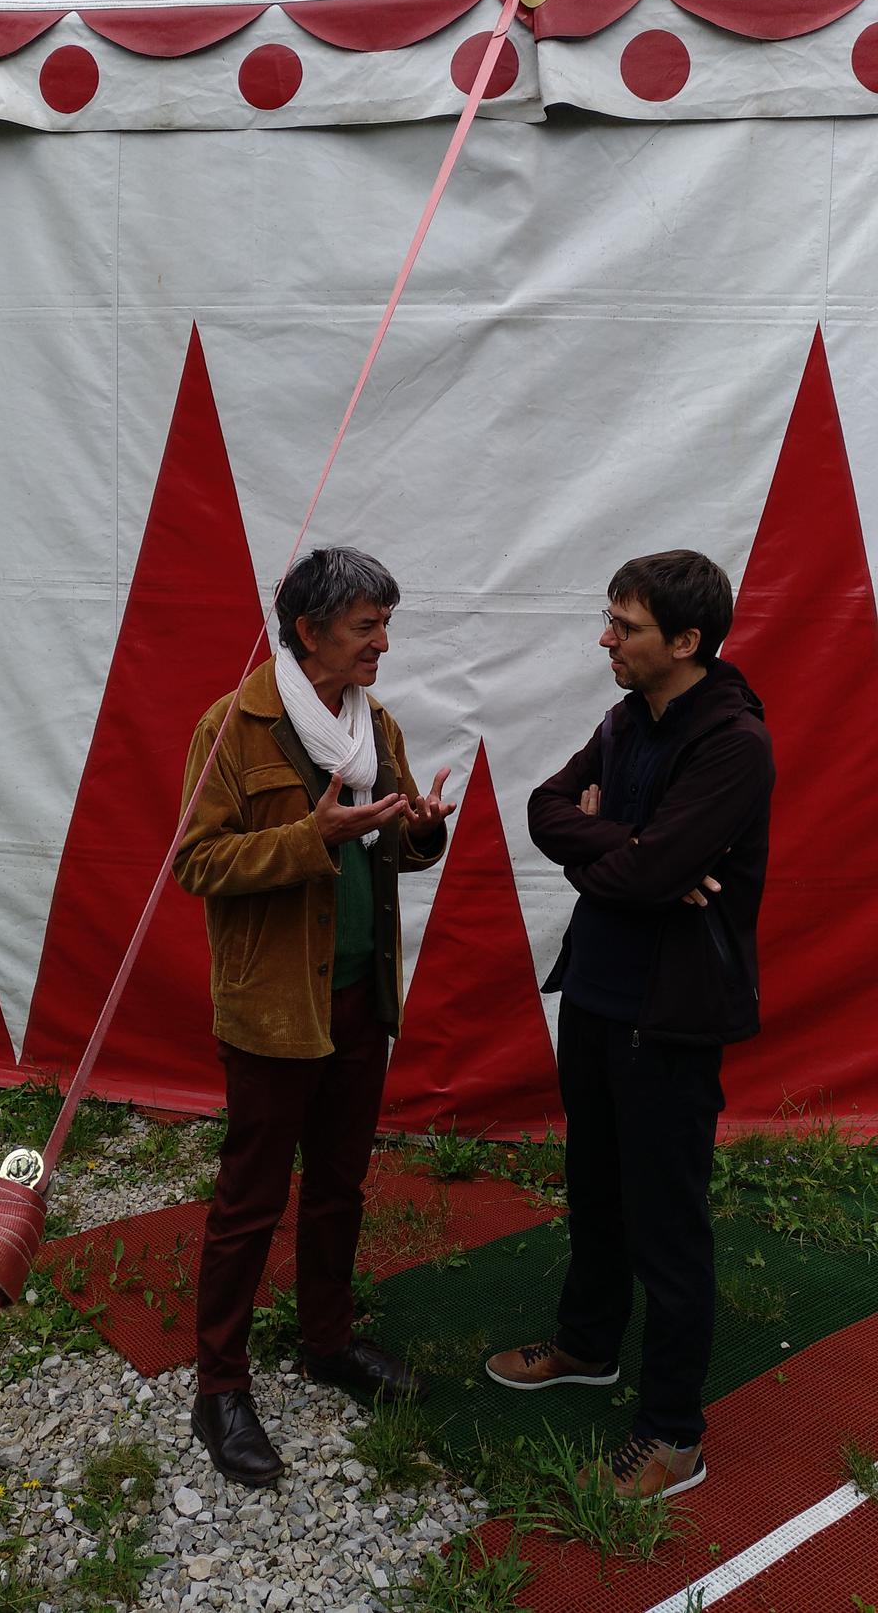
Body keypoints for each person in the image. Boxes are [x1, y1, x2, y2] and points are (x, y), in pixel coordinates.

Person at [487, 550, 774, 1501]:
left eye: (624, 625)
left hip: (673, 1013)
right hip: (599, 992)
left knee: (668, 1221)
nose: (604, 639)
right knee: (595, 1185)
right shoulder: (623, 720)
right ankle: (587, 1344)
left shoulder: (734, 742)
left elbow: (647, 874)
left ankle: (673, 1435)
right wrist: (627, 849)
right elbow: (544, 809)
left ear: (685, 642)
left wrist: (628, 855)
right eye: (609, 619)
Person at [174, 546, 455, 1486]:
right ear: (309, 631)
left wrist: (419, 830)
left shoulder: (373, 724)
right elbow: (196, 863)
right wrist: (308, 839)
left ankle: (326, 1342)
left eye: (385, 624)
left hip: (360, 999)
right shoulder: (233, 725)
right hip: (272, 1006)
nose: (383, 643)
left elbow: (397, 848)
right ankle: (220, 1384)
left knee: (340, 1183)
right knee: (250, 1199)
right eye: (366, 626)